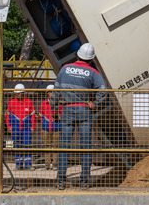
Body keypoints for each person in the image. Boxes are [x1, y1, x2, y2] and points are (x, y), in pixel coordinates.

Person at [51, 42, 107, 189]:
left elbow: (55, 92)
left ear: (77, 55)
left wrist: (54, 109)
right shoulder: (93, 73)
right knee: (85, 148)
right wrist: (95, 104)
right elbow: (103, 91)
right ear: (91, 59)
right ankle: (84, 183)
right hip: (84, 111)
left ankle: (61, 182)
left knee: (64, 147)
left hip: (67, 110)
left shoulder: (64, 69)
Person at [5, 83, 36, 169]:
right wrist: (9, 126)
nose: (17, 94)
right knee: (17, 145)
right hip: (15, 128)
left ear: (23, 93)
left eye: (19, 93)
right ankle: (18, 164)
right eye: (16, 93)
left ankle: (28, 164)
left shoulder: (29, 102)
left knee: (27, 145)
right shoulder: (12, 102)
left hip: (26, 128)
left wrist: (33, 126)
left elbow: (33, 115)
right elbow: (7, 115)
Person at [38, 84, 61, 170]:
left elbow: (61, 115)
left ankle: (55, 164)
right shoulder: (44, 104)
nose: (51, 94)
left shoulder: (59, 104)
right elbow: (40, 115)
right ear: (47, 93)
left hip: (56, 128)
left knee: (56, 146)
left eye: (53, 92)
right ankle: (47, 165)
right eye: (50, 92)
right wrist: (44, 123)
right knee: (46, 146)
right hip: (46, 129)